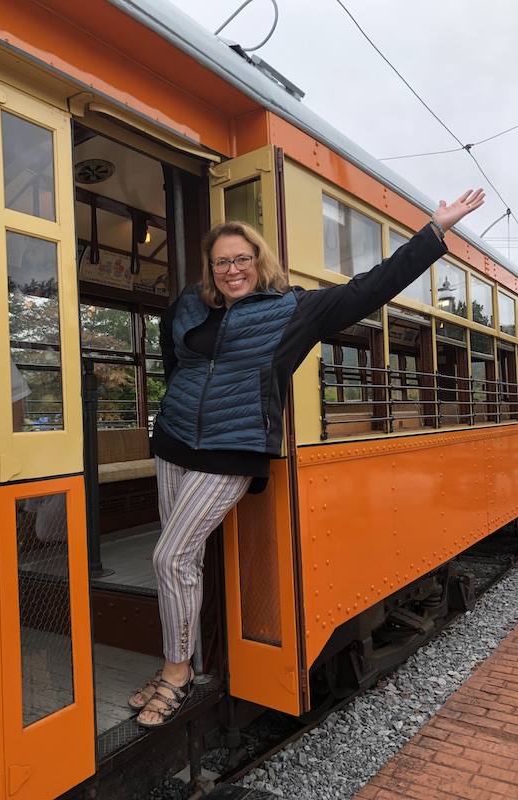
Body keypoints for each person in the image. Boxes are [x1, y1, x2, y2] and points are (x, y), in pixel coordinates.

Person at [129, 189, 486, 728]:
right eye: (222, 262)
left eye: (241, 260)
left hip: (232, 451)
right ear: (211, 267)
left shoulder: (292, 309)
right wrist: (168, 409)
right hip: (173, 445)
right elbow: (172, 358)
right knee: (183, 561)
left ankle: (176, 673)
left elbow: (370, 289)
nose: (231, 270)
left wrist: (434, 233)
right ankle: (185, 656)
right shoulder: (188, 304)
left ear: (258, 261)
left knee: (169, 557)